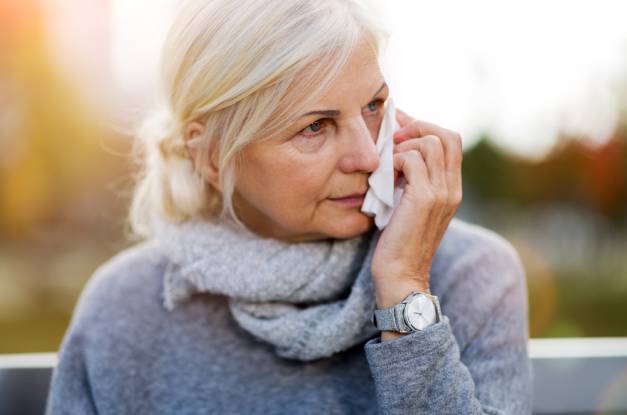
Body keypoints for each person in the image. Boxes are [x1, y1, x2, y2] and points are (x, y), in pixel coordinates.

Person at [45, 0, 532, 413]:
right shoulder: (123, 312)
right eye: (315, 126)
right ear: (211, 154)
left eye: (373, 105)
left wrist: (405, 290)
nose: (367, 154)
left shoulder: (472, 275)